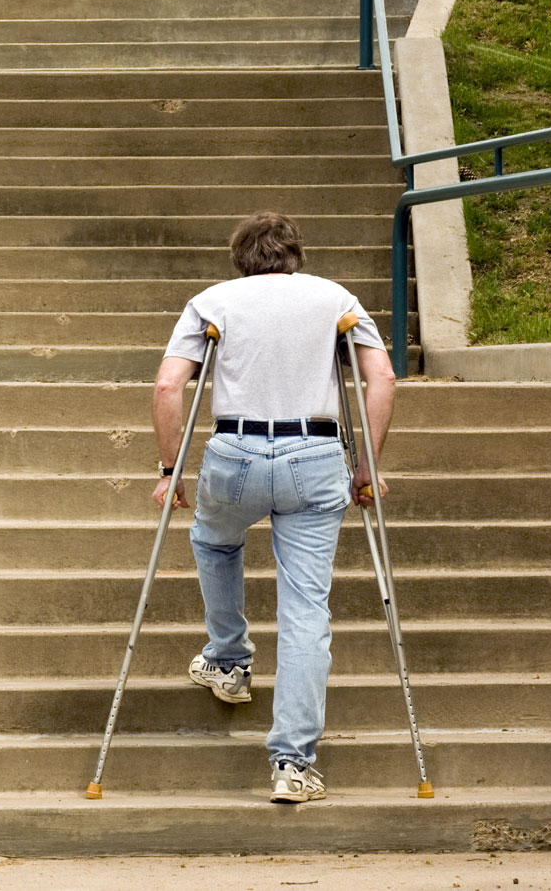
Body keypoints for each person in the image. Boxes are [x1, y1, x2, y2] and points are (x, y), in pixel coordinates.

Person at [151, 210, 396, 804]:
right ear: (295, 255)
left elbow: (166, 386)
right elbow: (381, 377)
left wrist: (171, 471)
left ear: (241, 258)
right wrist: (366, 466)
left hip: (234, 454)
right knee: (307, 606)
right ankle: (293, 763)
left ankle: (229, 660)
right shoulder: (333, 296)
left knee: (214, 539)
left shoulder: (214, 300)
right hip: (314, 456)